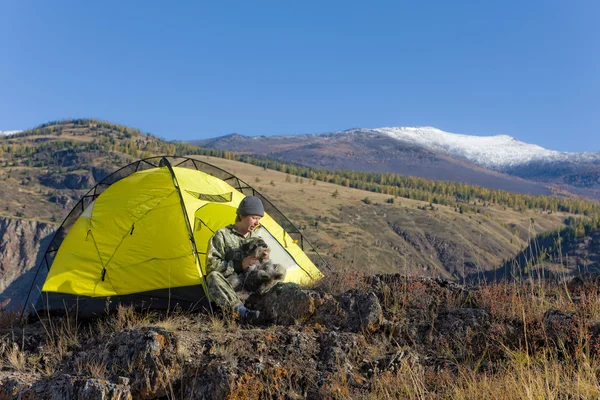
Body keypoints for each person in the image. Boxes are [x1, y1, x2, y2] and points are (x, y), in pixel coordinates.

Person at [205, 196, 265, 320]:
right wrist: (240, 265)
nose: (257, 222)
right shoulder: (222, 235)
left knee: (278, 270)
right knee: (213, 277)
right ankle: (241, 313)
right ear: (242, 215)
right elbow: (212, 265)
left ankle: (264, 307)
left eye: (259, 219)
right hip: (231, 284)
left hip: (252, 284)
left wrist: (263, 259)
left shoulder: (257, 239)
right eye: (254, 218)